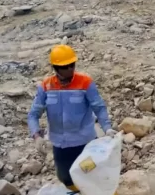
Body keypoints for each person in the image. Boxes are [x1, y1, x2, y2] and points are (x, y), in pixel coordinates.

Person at [27, 45, 114, 192]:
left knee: (89, 175)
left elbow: (99, 107)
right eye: (65, 66)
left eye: (72, 65)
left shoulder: (85, 82)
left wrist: (107, 128)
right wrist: (36, 136)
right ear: (56, 68)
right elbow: (33, 114)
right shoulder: (46, 86)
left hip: (84, 143)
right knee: (66, 178)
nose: (70, 69)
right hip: (60, 146)